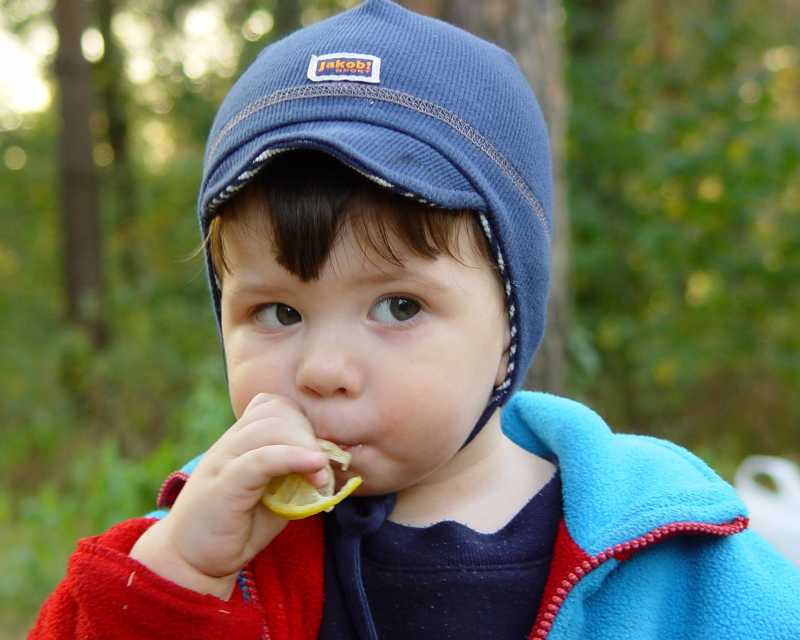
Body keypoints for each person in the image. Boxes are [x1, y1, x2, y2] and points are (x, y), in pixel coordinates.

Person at [30, 1, 800, 638]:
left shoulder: (679, 559)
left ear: (511, 320)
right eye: (278, 311)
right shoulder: (207, 540)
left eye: (398, 306)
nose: (323, 369)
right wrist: (179, 580)